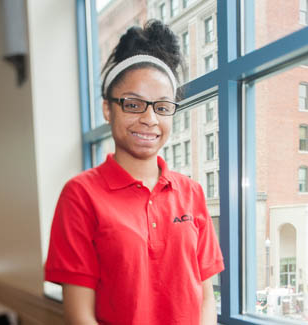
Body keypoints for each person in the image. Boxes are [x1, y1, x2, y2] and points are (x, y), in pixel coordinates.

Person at [44, 20, 224, 325]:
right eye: (133, 104)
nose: (149, 119)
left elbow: (206, 297)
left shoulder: (191, 192)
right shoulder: (80, 195)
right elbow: (79, 316)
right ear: (108, 109)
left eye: (162, 107)